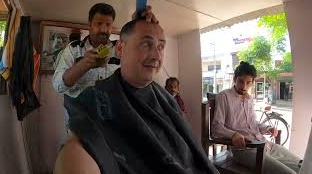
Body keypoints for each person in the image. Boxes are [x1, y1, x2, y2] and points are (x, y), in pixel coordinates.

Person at [54, 19, 219, 174]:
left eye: (161, 46)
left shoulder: (167, 98)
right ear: (120, 49)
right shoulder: (93, 97)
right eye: (146, 44)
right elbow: (78, 143)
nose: (156, 56)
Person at [52, 3, 158, 128]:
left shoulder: (121, 49)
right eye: (99, 24)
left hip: (114, 124)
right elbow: (58, 86)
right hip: (80, 124)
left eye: (108, 25)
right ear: (90, 25)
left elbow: (141, 57)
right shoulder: (73, 49)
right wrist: (85, 64)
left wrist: (140, 27)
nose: (103, 29)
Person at [212, 61, 301, 174]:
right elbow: (216, 128)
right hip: (245, 150)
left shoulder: (249, 99)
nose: (244, 86)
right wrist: (233, 134)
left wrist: (267, 128)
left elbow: (253, 123)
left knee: (302, 165)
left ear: (253, 82)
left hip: (265, 144)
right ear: (234, 79)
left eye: (248, 83)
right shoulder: (224, 96)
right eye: (241, 81)